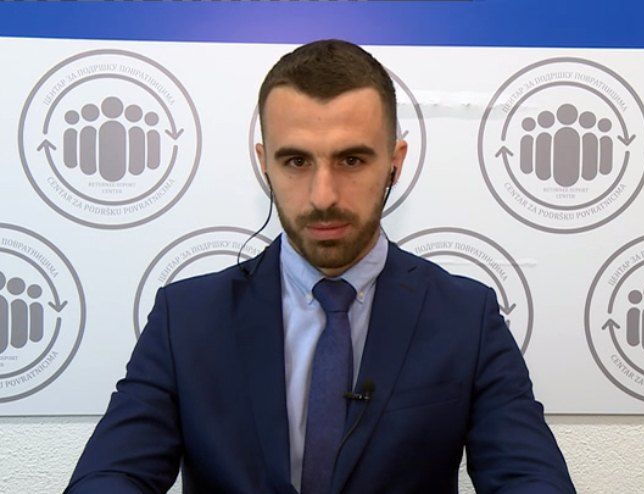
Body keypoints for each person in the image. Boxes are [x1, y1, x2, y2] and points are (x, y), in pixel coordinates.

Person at [66, 40, 576, 494]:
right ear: (264, 162)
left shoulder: (466, 317)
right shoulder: (186, 319)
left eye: (352, 160)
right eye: (296, 161)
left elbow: (528, 474)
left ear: (395, 162)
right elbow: (113, 472)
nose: (323, 196)